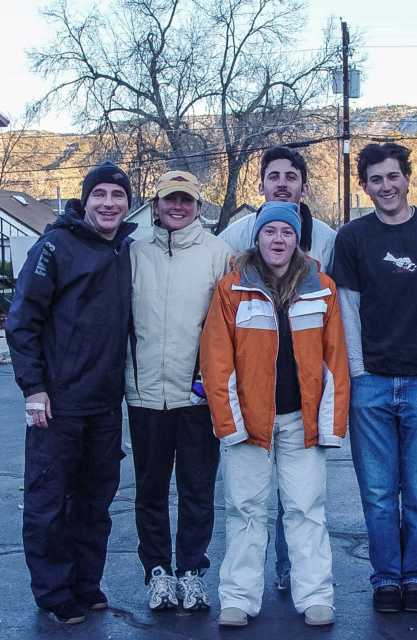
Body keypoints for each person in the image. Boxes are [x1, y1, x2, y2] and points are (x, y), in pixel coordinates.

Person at [331, 143, 417, 615]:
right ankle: (387, 577)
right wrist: (356, 373)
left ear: (407, 178)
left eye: (393, 176)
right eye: (375, 179)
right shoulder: (353, 237)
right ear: (364, 185)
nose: (385, 186)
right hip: (371, 382)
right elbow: (347, 310)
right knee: (376, 493)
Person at [200, 201, 349, 628]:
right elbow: (216, 361)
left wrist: (330, 425)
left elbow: (334, 360)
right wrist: (229, 425)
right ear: (258, 238)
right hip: (250, 423)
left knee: (306, 509)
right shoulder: (232, 289)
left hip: (302, 423)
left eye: (286, 232)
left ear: (296, 240)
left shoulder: (321, 287)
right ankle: (239, 598)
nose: (278, 240)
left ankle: (316, 596)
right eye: (270, 232)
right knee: (245, 510)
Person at [5, 162, 136, 625]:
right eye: (99, 194)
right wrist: (34, 387)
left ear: (126, 203)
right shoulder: (55, 246)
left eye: (117, 196)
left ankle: (85, 583)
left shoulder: (125, 249)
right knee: (50, 501)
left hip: (104, 404)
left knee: (95, 501)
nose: (108, 203)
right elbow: (22, 320)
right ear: (85, 200)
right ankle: (54, 592)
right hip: (56, 404)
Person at [218, 145, 336, 591]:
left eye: (291, 175)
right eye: (274, 175)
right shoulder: (236, 235)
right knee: (247, 504)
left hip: (300, 392)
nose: (283, 182)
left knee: (302, 501)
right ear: (261, 184)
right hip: (252, 397)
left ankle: (294, 575)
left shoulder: (325, 237)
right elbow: (221, 305)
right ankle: (244, 590)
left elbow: (333, 315)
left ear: (303, 185)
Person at [124, 170, 232, 612]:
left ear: (199, 207)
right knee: (150, 491)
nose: (178, 207)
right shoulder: (132, 253)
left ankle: (191, 572)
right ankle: (158, 575)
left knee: (196, 489)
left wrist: (214, 383)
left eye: (187, 200)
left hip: (196, 397)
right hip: (145, 393)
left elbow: (231, 325)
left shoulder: (219, 253)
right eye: (171, 199)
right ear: (156, 203)